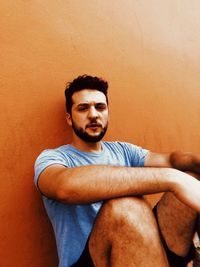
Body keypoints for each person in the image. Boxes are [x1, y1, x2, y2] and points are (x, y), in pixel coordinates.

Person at [34, 74, 200, 267]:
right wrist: (172, 179)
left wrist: (190, 166)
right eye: (83, 108)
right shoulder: (53, 158)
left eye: (100, 107)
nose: (94, 114)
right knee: (126, 206)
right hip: (90, 261)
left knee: (193, 176)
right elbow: (65, 187)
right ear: (69, 119)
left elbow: (173, 159)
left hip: (146, 252)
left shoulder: (124, 150)